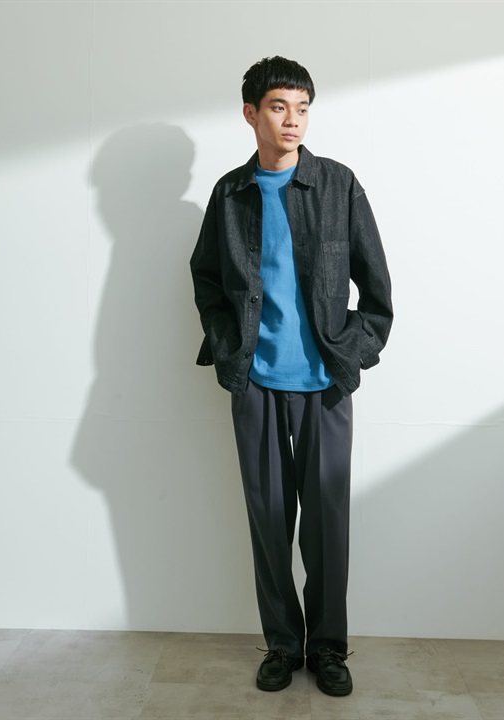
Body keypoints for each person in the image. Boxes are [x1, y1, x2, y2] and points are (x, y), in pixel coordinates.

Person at [190, 56, 393, 697]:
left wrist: (351, 352)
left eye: (302, 108)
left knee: (327, 524)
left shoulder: (338, 185)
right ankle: (282, 644)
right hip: (256, 383)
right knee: (269, 521)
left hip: (325, 386)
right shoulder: (229, 195)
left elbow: (378, 291)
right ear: (250, 113)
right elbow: (206, 281)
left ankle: (328, 648)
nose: (293, 120)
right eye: (279, 107)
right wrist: (230, 351)